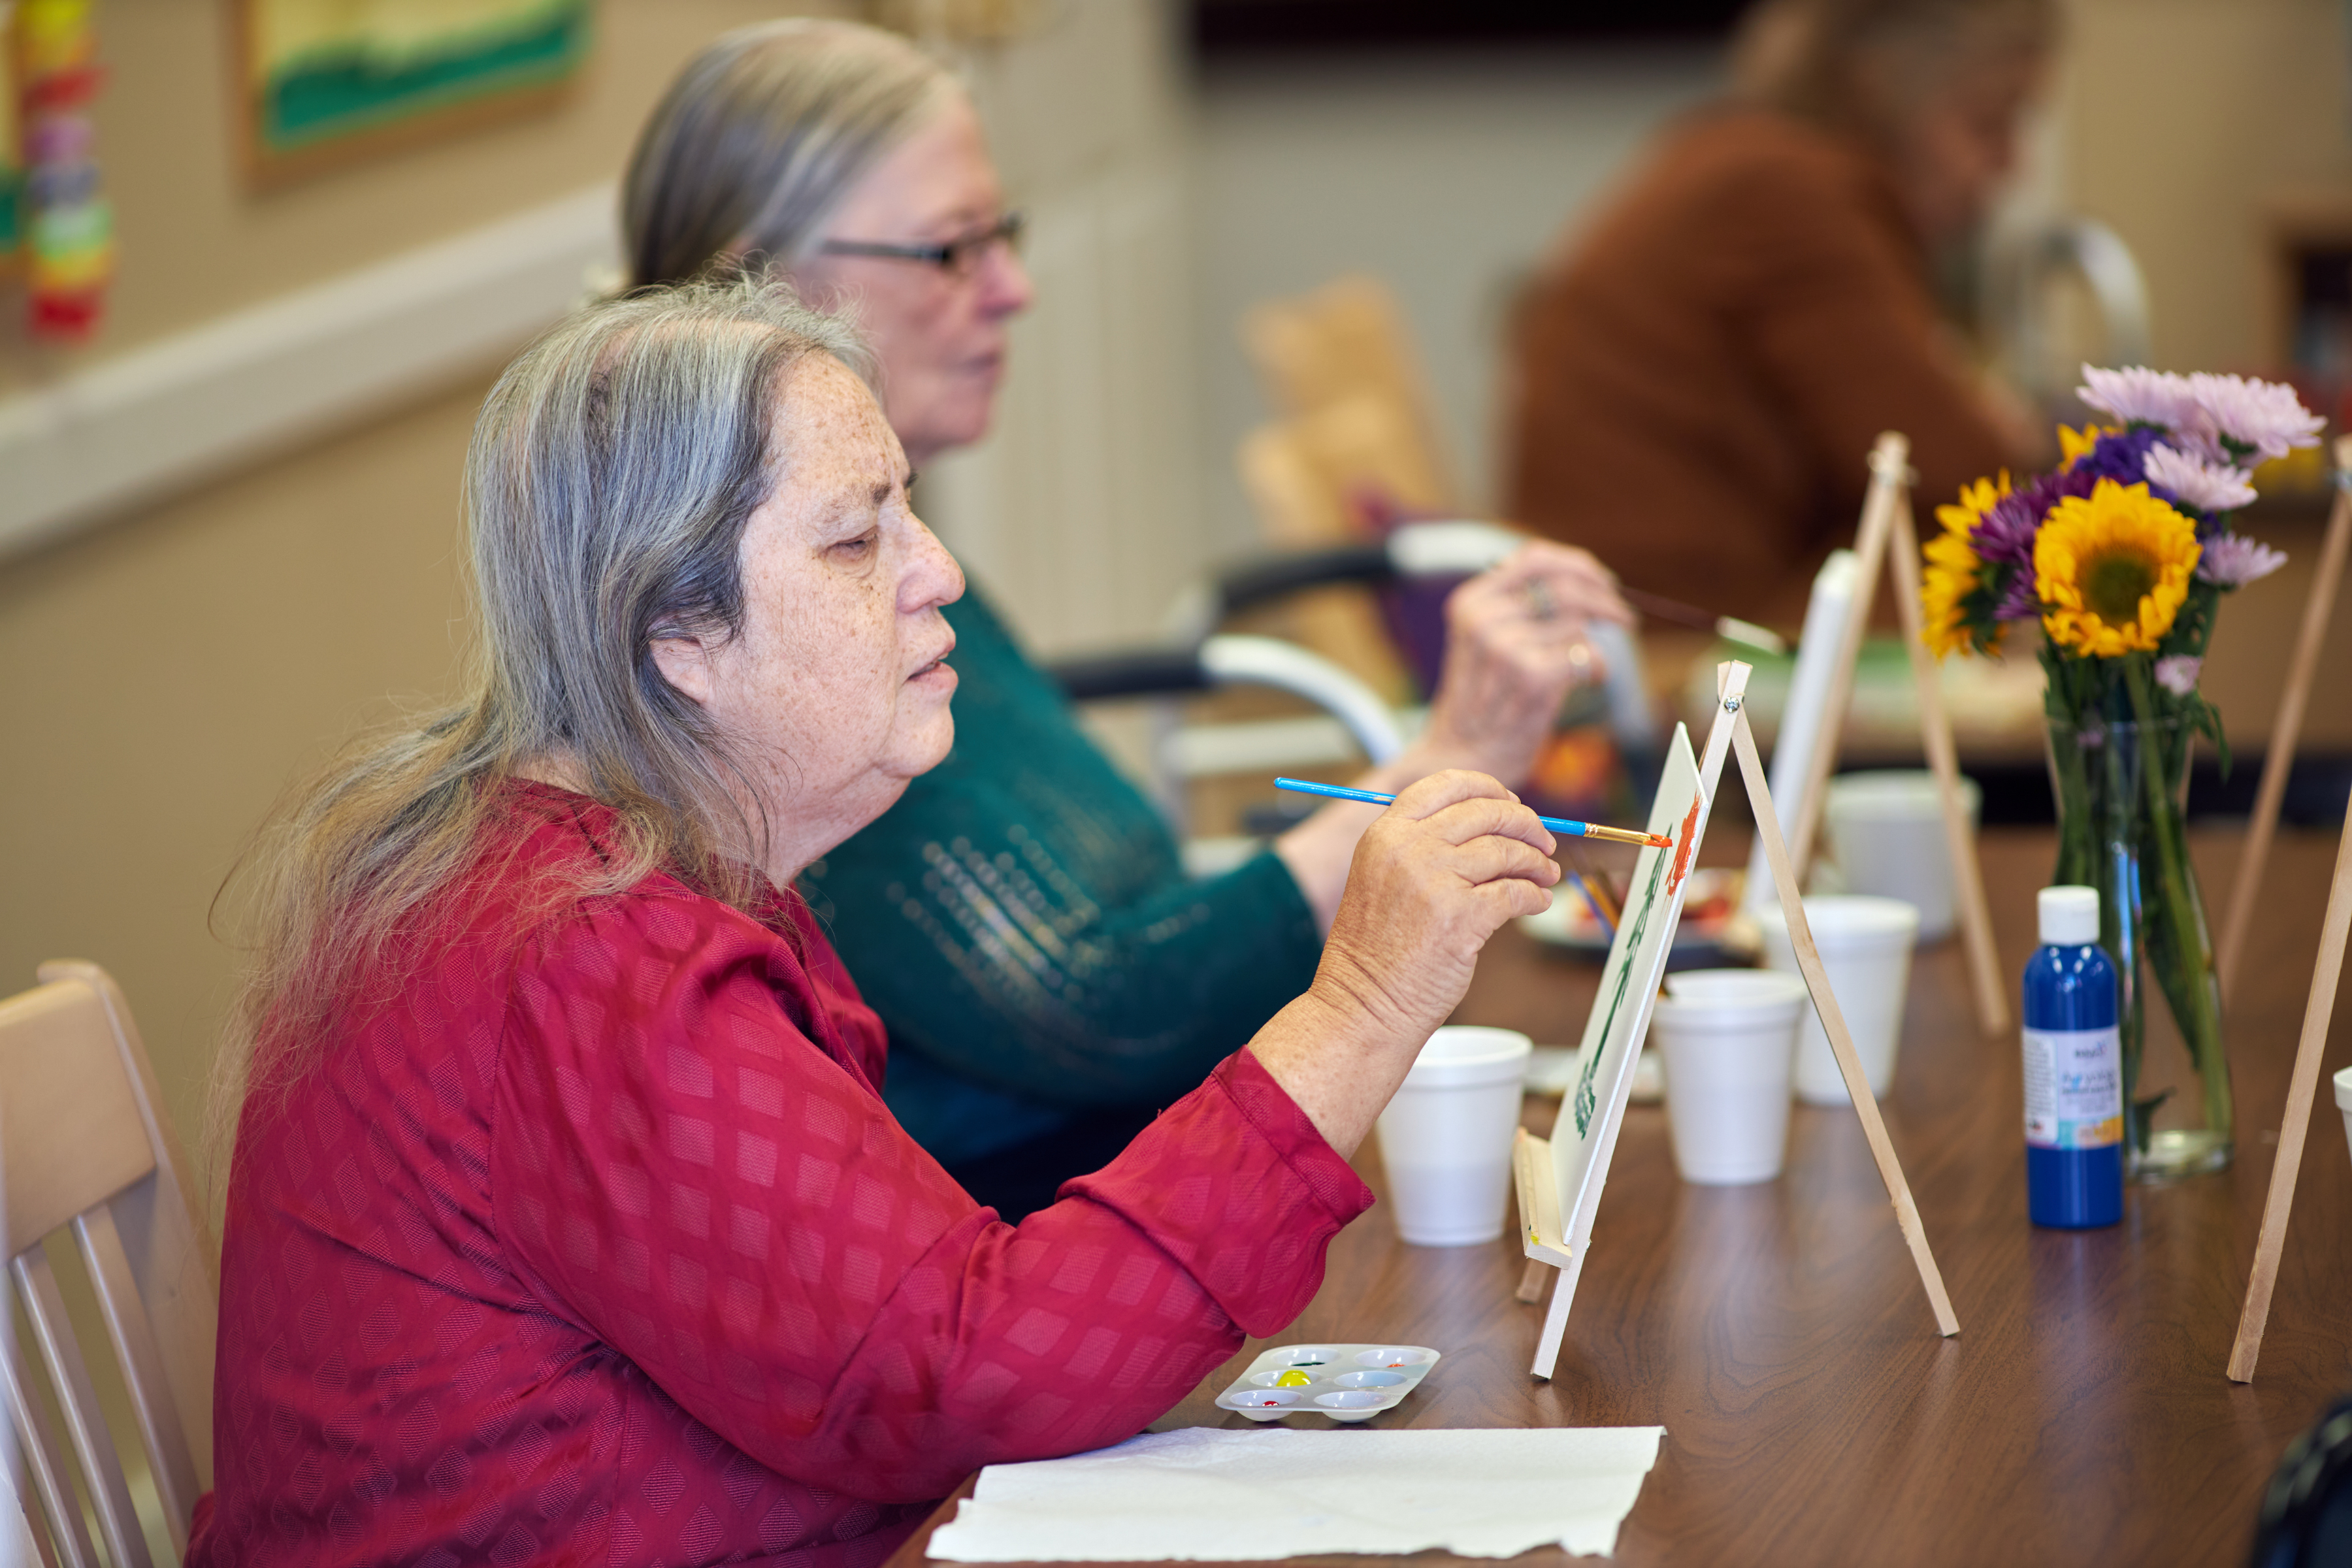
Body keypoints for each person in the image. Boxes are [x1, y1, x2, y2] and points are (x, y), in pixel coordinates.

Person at [189, 278, 1561, 1566]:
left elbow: (911, 1335)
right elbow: (985, 1370)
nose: (941, 573)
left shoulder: (584, 865)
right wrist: (1368, 1002)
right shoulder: (586, 952)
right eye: (858, 539)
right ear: (680, 632)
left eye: (910, 511)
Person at [621, 20, 1629, 1215]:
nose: (1016, 287)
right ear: (757, 287)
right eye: (952, 248)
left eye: (1005, 236)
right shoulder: (769, 645)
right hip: (1042, 1229)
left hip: (1134, 1174)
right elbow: (1097, 1014)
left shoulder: (892, 557)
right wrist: (1432, 776)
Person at [1505, 0, 2055, 626]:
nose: (2013, 166)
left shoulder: (1732, 156)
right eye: (1989, 123)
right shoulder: (1791, 191)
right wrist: (2016, 434)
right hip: (1672, 643)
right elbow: (1957, 471)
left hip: (1628, 612)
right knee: (1978, 543)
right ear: (1880, 89)